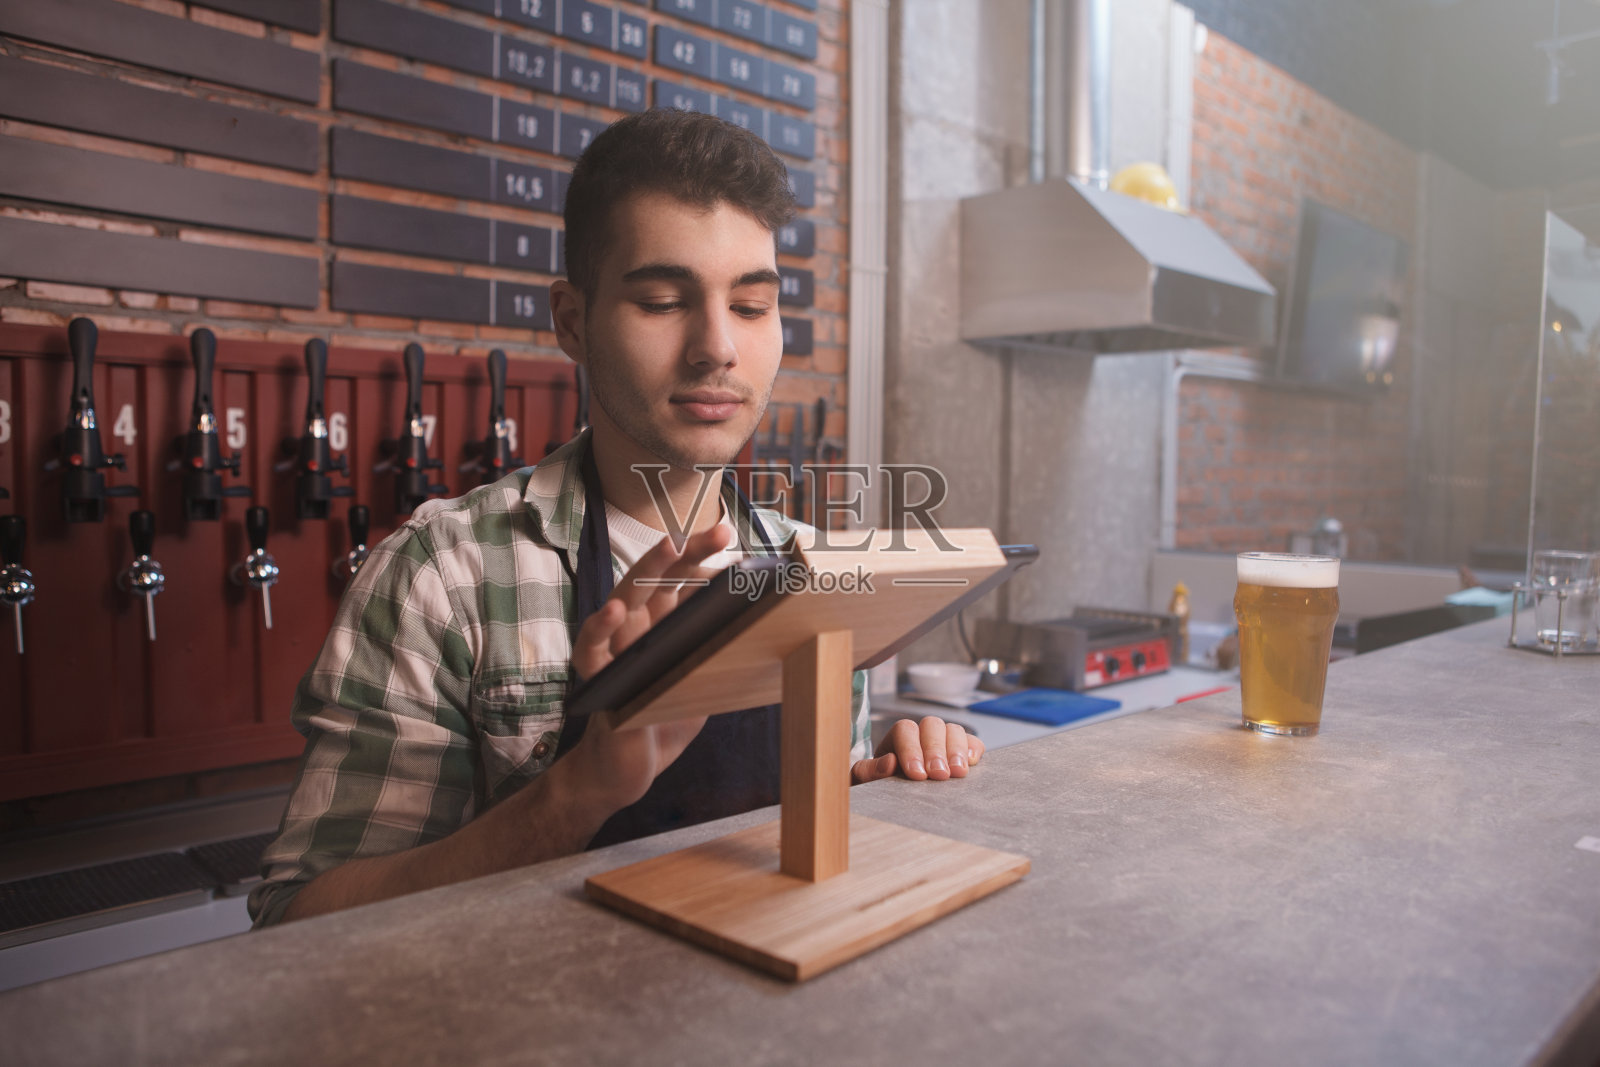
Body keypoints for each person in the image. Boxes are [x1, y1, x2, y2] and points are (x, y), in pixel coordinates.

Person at [249, 109, 983, 928]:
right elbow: (296, 921)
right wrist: (574, 794)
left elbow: (806, 832)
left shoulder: (815, 571)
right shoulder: (444, 575)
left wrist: (885, 786)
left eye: (750, 305)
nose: (717, 347)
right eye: (665, 300)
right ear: (572, 321)